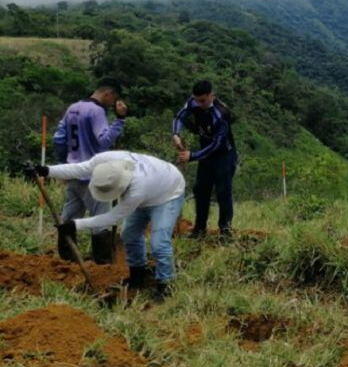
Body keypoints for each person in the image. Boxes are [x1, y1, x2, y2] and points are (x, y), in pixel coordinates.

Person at [26, 151, 186, 299]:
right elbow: (79, 169)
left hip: (169, 193)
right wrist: (47, 170)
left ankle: (165, 285)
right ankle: (138, 275)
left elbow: (112, 218)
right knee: (129, 235)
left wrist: (75, 224)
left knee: (159, 242)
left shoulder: (137, 190)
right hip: (152, 186)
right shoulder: (105, 159)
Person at [52, 80, 128, 263]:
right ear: (108, 94)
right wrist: (120, 120)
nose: (112, 104)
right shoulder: (96, 111)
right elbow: (104, 141)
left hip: (73, 172)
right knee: (100, 220)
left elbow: (58, 139)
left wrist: (65, 165)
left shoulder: (73, 108)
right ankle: (102, 265)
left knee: (69, 217)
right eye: (113, 100)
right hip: (94, 175)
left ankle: (68, 261)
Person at [172, 80, 238, 237]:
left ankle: (225, 231)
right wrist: (176, 134)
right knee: (201, 190)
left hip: (224, 155)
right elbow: (179, 117)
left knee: (223, 192)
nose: (199, 104)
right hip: (206, 155)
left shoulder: (221, 114)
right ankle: (199, 229)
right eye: (196, 100)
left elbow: (217, 144)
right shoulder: (193, 103)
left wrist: (192, 156)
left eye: (202, 100)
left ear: (211, 96)